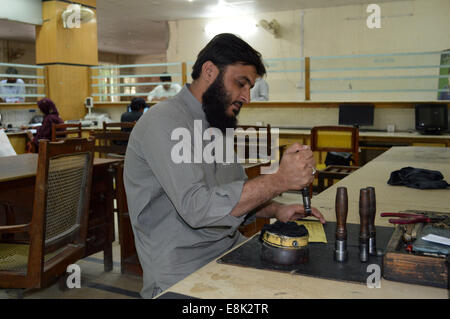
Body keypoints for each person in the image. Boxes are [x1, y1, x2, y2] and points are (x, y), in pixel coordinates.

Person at [124, 33, 324, 299]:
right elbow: (199, 208)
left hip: (227, 249)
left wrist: (278, 209)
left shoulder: (215, 123)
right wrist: (279, 180)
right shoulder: (165, 122)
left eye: (250, 87)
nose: (247, 97)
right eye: (241, 83)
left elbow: (233, 195)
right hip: (180, 272)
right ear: (209, 71)